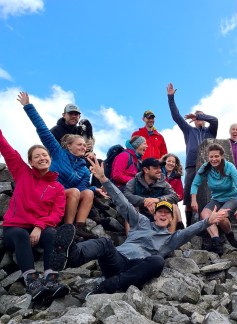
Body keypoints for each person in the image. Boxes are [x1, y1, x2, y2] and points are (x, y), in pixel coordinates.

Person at [49, 156, 230, 295]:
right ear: (154, 213)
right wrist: (104, 180)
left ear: (171, 218)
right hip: (117, 260)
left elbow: (191, 231)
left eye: (167, 212)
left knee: (157, 261)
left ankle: (112, 284)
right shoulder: (141, 222)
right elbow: (123, 203)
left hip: (136, 268)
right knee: (104, 242)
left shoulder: (171, 238)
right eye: (160, 211)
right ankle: (71, 256)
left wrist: (208, 221)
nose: (164, 213)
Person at [17, 92, 104, 240]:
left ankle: (80, 226)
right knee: (75, 192)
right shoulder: (58, 152)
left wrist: (94, 189)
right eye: (79, 145)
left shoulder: (83, 168)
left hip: (68, 196)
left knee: (87, 193)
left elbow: (83, 188)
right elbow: (42, 129)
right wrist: (28, 106)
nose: (84, 148)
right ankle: (67, 228)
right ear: (69, 146)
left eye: (85, 146)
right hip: (49, 194)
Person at [0, 129, 70, 303]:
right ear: (30, 162)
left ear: (50, 158)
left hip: (39, 227)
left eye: (45, 155)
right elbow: (7, 149)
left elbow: (57, 213)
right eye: (37, 156)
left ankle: (51, 280)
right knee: (20, 234)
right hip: (14, 227)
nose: (42, 158)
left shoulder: (57, 188)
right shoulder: (22, 172)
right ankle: (32, 281)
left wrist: (39, 226)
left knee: (53, 234)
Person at [167, 83, 218, 227]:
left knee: (208, 197)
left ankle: (207, 225)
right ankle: (189, 226)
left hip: (209, 168)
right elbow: (176, 117)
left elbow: (215, 120)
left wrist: (200, 115)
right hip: (191, 167)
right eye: (196, 118)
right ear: (193, 121)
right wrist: (171, 97)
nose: (199, 120)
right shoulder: (189, 130)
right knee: (189, 199)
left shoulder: (211, 132)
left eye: (201, 117)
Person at [191, 143, 237, 255]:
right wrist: (193, 200)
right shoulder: (206, 168)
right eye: (211, 157)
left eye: (216, 156)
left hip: (232, 198)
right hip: (216, 199)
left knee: (220, 216)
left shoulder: (229, 167)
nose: (214, 159)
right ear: (208, 157)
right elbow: (195, 184)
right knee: (204, 215)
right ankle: (216, 242)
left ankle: (231, 237)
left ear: (222, 156)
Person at [124, 157, 180, 224]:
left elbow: (174, 196)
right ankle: (132, 234)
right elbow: (126, 195)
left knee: (174, 206)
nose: (160, 170)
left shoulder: (164, 183)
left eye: (160, 168)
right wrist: (145, 201)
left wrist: (157, 200)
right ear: (146, 170)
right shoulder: (134, 182)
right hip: (139, 215)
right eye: (156, 168)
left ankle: (171, 234)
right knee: (130, 207)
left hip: (157, 214)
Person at [161, 153, 185, 229]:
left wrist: (176, 197)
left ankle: (179, 225)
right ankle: (179, 226)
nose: (171, 163)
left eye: (173, 162)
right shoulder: (158, 173)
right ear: (165, 162)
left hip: (172, 200)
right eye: (169, 161)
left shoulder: (177, 176)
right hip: (159, 198)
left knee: (174, 205)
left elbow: (180, 193)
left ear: (175, 164)